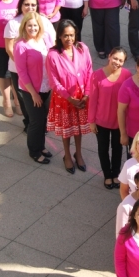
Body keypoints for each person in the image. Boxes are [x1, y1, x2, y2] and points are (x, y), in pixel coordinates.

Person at [5, 0, 56, 132]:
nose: (30, 7)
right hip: (19, 69)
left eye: (33, 4)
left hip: (40, 71)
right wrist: (25, 64)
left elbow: (53, 42)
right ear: (21, 5)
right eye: (26, 4)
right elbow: (9, 47)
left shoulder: (44, 21)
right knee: (26, 102)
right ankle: (30, 127)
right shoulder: (13, 23)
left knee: (41, 108)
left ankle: (37, 128)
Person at [46, 19, 92, 174]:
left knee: (78, 127)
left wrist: (87, 95)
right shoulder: (53, 55)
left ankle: (78, 153)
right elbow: (54, 82)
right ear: (59, 36)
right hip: (64, 99)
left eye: (72, 35)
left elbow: (89, 71)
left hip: (81, 97)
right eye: (65, 35)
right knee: (67, 130)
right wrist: (69, 98)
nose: (69, 39)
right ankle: (67, 155)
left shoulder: (82, 48)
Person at [13, 12, 54, 164]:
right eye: (29, 25)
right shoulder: (20, 45)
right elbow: (22, 73)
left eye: (35, 25)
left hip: (47, 86)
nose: (32, 28)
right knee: (36, 121)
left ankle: (41, 146)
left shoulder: (45, 39)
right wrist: (33, 94)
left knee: (44, 119)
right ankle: (34, 151)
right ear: (24, 26)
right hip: (31, 90)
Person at [89, 47, 132, 190]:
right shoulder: (96, 75)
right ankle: (107, 175)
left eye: (121, 60)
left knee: (117, 149)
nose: (117, 62)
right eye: (115, 58)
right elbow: (93, 100)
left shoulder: (127, 75)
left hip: (119, 122)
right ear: (109, 56)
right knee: (103, 149)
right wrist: (91, 121)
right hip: (101, 121)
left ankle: (116, 174)